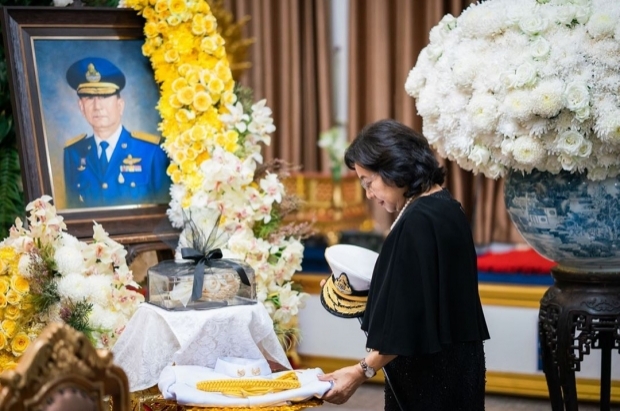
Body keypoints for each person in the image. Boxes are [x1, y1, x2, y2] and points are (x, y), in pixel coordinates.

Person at [318, 119, 490, 410]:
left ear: (394, 168)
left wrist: (360, 371)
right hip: (457, 364)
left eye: (368, 182)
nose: (369, 194)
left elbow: (410, 319)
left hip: (430, 375)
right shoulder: (444, 206)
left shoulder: (419, 220)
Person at [63, 57, 170, 208]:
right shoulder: (73, 153)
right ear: (81, 107)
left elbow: (164, 214)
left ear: (120, 105)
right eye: (89, 97)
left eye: (105, 96)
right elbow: (72, 211)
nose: (97, 106)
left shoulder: (151, 151)